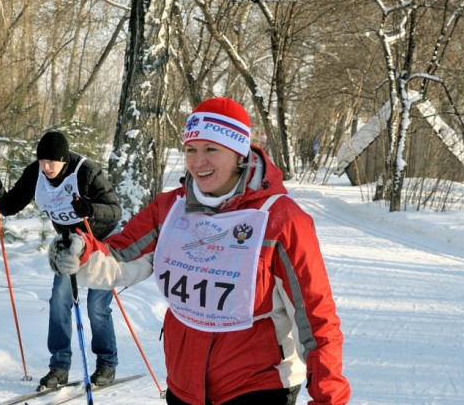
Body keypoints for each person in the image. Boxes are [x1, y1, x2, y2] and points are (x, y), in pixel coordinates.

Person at [48, 98, 351, 405]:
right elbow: (122, 257)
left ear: (238, 152)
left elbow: (315, 316)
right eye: (191, 149)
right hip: (184, 384)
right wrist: (81, 253)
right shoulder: (171, 208)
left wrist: (328, 397)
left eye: (211, 149)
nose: (198, 161)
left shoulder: (281, 219)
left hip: (258, 386)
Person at [0, 130, 122, 390]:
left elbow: (115, 210)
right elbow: (9, 206)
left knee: (96, 306)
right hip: (71, 245)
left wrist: (91, 210)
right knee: (59, 301)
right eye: (42, 161)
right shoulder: (36, 173)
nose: (46, 167)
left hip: (101, 240)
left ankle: (106, 363)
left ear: (64, 159)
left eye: (52, 162)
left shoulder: (86, 172)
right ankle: (59, 367)